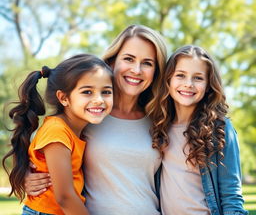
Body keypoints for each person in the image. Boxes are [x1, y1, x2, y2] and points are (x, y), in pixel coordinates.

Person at [23, 24, 167, 215]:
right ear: (112, 62)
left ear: (156, 70)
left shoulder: (160, 118)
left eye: (148, 62)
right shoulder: (87, 114)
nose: (136, 69)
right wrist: (25, 174)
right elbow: (36, 144)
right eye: (129, 59)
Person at [2, 54, 114, 215]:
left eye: (106, 92)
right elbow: (64, 197)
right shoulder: (57, 132)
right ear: (64, 98)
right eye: (87, 92)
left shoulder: (73, 129)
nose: (99, 100)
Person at [150, 45, 248, 215]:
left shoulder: (219, 129)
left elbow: (231, 195)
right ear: (168, 80)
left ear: (209, 85)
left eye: (198, 78)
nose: (188, 84)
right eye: (180, 75)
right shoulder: (159, 127)